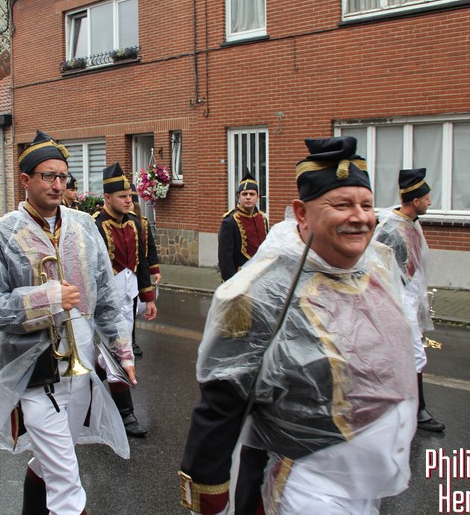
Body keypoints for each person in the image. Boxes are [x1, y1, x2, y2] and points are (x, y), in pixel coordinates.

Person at [179, 136, 417, 515]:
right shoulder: (258, 292)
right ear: (302, 214)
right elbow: (221, 404)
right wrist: (210, 496)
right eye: (342, 205)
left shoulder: (376, 267)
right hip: (302, 487)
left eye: (367, 204)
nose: (360, 216)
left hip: (368, 486)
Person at [0, 130, 134, 514]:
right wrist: (46, 300)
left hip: (80, 365)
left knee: (51, 460)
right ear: (26, 180)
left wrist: (122, 350)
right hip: (34, 371)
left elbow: (106, 297)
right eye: (48, 176)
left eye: (62, 177)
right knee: (67, 483)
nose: (58, 185)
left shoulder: (84, 225)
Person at [374, 168, 445, 433]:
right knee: (413, 352)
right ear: (415, 201)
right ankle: (417, 410)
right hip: (398, 301)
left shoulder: (412, 222)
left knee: (405, 353)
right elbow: (378, 268)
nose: (430, 202)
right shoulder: (391, 229)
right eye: (426, 198)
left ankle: (399, 405)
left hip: (410, 299)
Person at [94, 162, 157, 437]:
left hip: (129, 298)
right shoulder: (95, 226)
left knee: (112, 353)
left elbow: (141, 262)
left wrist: (148, 297)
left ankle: (87, 386)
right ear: (107, 198)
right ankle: (126, 413)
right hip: (104, 303)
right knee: (118, 352)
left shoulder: (133, 223)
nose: (129, 201)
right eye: (123, 197)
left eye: (130, 196)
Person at [217, 171, 269, 281]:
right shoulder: (230, 221)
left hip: (261, 277)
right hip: (240, 279)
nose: (248, 197)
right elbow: (225, 259)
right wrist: (231, 283)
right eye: (244, 194)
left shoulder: (262, 219)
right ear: (238, 197)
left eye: (252, 194)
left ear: (258, 197)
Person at [129, 190, 161, 356]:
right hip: (125, 272)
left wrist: (154, 270)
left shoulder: (143, 223)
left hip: (140, 271)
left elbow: (150, 248)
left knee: (133, 308)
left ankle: (132, 340)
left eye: (132, 203)